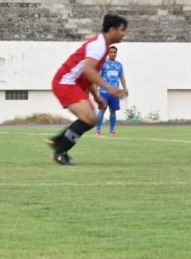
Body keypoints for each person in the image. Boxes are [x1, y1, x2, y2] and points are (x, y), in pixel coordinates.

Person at [45, 14, 129, 165]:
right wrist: (110, 88)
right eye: (123, 30)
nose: (124, 33)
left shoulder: (102, 47)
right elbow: (88, 71)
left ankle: (58, 141)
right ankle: (59, 152)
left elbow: (90, 74)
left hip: (73, 84)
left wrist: (97, 97)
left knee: (92, 119)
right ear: (112, 29)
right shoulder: (98, 46)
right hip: (65, 82)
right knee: (89, 118)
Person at [95, 46, 128, 136]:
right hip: (104, 91)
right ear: (108, 53)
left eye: (115, 52)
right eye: (111, 52)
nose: (113, 53)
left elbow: (121, 77)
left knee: (113, 111)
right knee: (102, 110)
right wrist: (95, 89)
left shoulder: (119, 65)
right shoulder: (103, 64)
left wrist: (125, 88)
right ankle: (98, 130)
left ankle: (112, 130)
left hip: (115, 92)